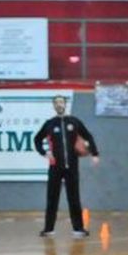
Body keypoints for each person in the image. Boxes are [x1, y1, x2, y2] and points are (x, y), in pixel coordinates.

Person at [33, 95, 98, 237]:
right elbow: (37, 139)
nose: (59, 105)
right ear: (54, 106)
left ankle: (78, 228)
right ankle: (49, 229)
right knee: (52, 198)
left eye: (61, 102)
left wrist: (94, 154)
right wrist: (44, 153)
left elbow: (88, 136)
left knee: (74, 198)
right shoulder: (49, 124)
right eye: (56, 103)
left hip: (72, 166)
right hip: (55, 166)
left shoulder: (74, 122)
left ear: (65, 104)